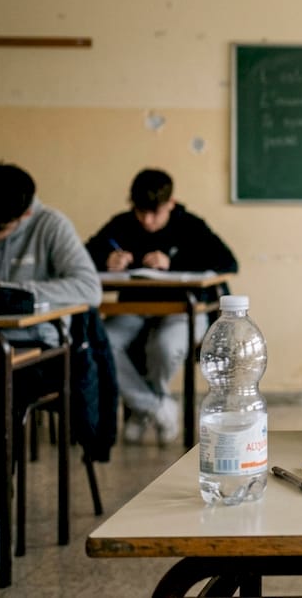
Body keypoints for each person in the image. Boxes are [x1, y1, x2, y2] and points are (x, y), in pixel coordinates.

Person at [0, 163, 102, 575]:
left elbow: (88, 288)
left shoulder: (50, 225)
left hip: (35, 354)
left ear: (24, 215)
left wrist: (7, 291)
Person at [85, 169, 237, 446]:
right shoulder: (122, 224)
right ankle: (156, 407)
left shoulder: (190, 225)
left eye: (154, 213)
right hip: (134, 309)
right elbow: (84, 256)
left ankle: (142, 410)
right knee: (100, 343)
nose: (147, 220)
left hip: (184, 311)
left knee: (164, 347)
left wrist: (173, 263)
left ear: (171, 203)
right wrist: (106, 259)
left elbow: (228, 262)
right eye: (140, 212)